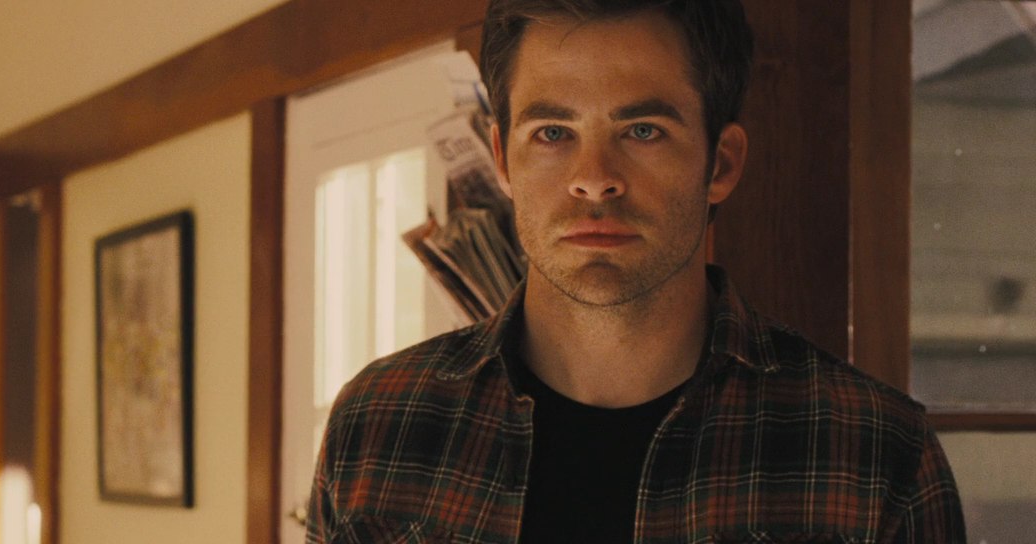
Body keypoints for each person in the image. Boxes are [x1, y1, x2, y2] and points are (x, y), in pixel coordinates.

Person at [307, 0, 966, 542]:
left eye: (643, 130)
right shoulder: (378, 425)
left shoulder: (876, 453)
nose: (595, 179)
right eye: (553, 133)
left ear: (721, 163)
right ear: (503, 160)